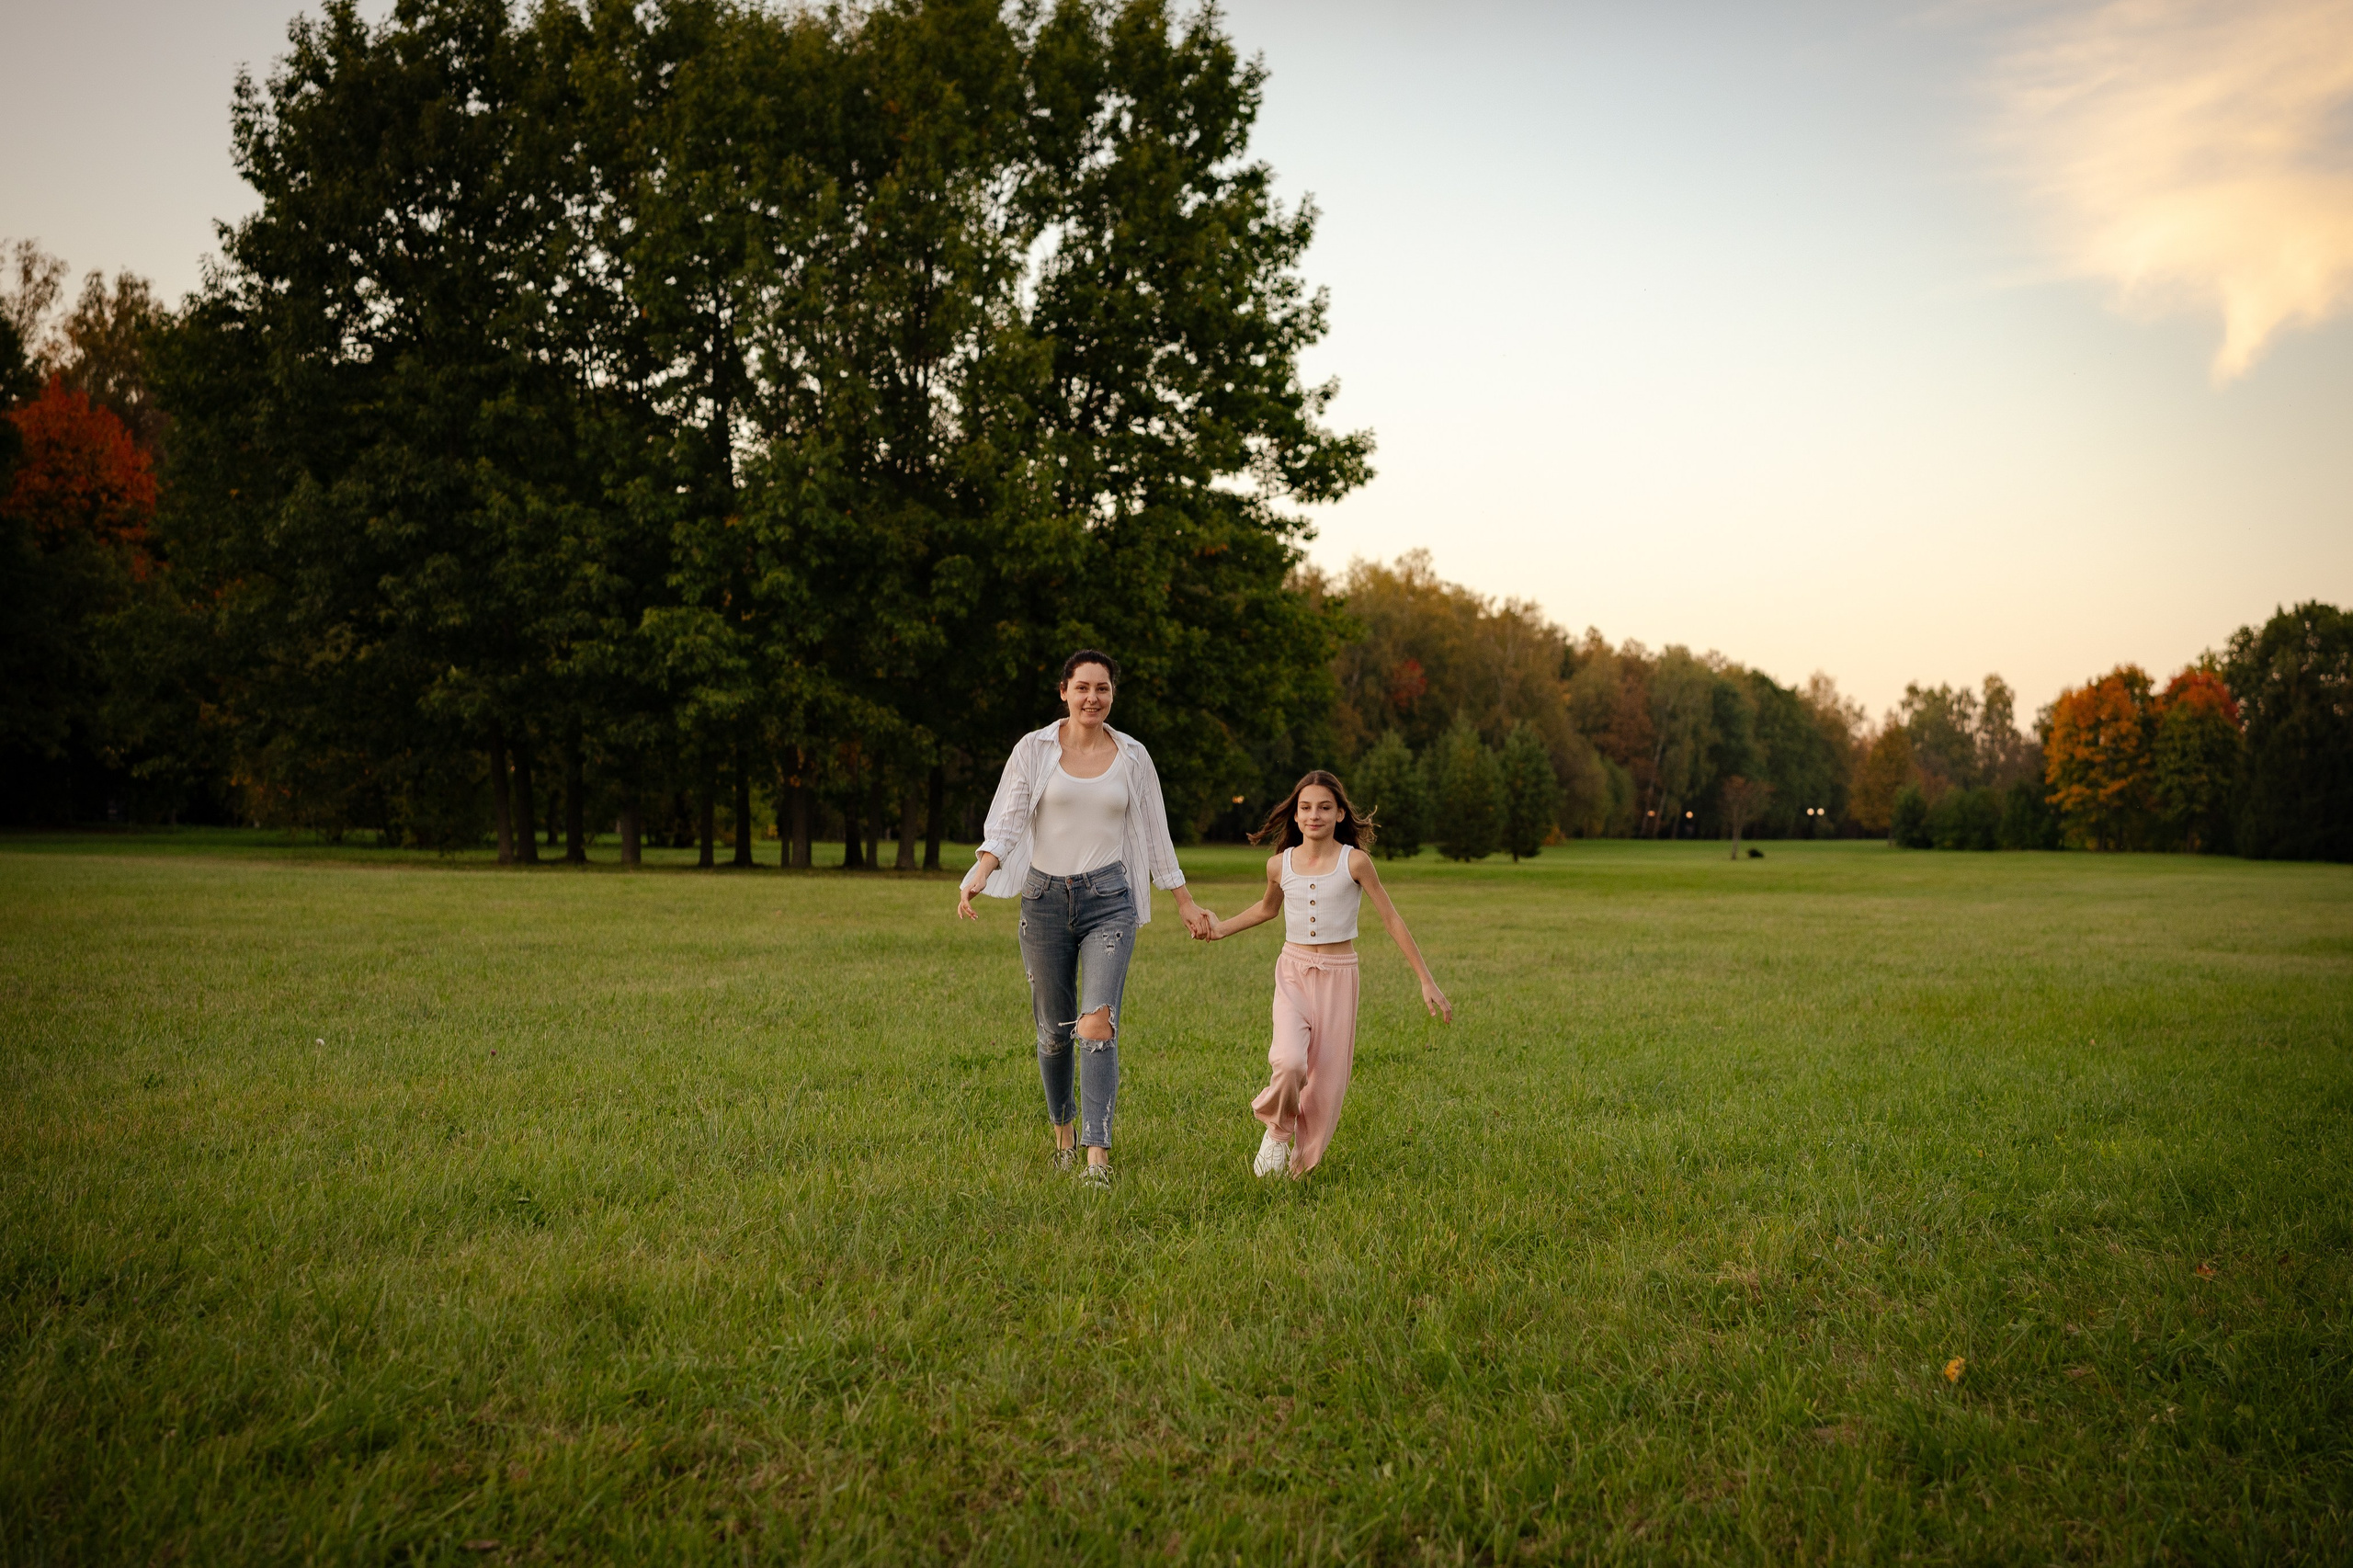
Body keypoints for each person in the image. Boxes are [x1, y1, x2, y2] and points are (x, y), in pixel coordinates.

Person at [957, 650, 1216, 1186]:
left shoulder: (1134, 757)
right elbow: (1008, 819)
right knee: (1054, 1033)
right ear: (1064, 692)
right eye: (1082, 688)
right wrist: (983, 868)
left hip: (1109, 900)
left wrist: (1184, 900)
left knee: (1097, 1026)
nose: (1092, 698)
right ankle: (1063, 1137)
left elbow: (1155, 834)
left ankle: (1098, 1158)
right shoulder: (1034, 749)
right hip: (1044, 901)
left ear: (1112, 694)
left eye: (1102, 689)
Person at [1208, 769, 1450, 1177]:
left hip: (1339, 977)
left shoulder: (1355, 862)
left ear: (1340, 814)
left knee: (1325, 1087)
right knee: (1288, 1062)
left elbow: (1391, 918)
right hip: (1293, 973)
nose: (1313, 815)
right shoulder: (1278, 864)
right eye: (1305, 808)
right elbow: (1267, 909)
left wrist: (1426, 979)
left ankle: (1297, 1169)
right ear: (1295, 815)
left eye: (1324, 807)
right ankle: (1278, 1132)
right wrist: (1219, 928)